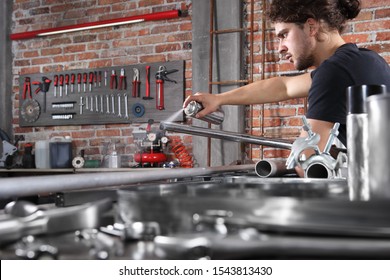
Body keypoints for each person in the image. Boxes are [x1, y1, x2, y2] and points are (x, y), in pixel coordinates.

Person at [183, 0, 390, 175]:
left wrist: (304, 158)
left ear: (311, 27)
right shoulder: (366, 60)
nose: (280, 47)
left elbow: (306, 161)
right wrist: (219, 99)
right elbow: (285, 86)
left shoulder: (334, 72)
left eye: (284, 35)